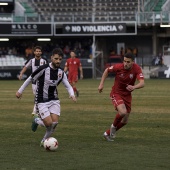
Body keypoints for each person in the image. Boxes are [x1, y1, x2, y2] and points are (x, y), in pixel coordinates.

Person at [16, 48, 77, 146]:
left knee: (54, 123)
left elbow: (68, 86)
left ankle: (44, 141)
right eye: (56, 59)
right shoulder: (43, 69)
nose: (58, 61)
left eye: (60, 59)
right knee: (48, 123)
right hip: (41, 100)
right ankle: (36, 120)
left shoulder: (61, 72)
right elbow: (30, 78)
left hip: (54, 99)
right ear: (51, 58)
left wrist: (72, 94)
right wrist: (20, 91)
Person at [98, 52, 144, 142]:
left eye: (128, 62)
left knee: (125, 121)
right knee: (122, 112)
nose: (125, 64)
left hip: (127, 95)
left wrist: (134, 87)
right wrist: (101, 84)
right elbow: (107, 70)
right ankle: (113, 128)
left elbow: (142, 83)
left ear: (133, 62)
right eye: (124, 61)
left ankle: (107, 133)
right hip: (116, 93)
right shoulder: (119, 67)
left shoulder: (137, 68)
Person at [18, 46, 48, 115]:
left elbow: (47, 69)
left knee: (39, 96)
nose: (38, 52)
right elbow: (25, 67)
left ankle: (35, 111)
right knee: (36, 96)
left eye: (39, 51)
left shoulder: (44, 61)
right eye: (37, 51)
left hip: (42, 81)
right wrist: (21, 73)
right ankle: (38, 110)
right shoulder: (31, 60)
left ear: (41, 52)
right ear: (34, 52)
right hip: (34, 81)